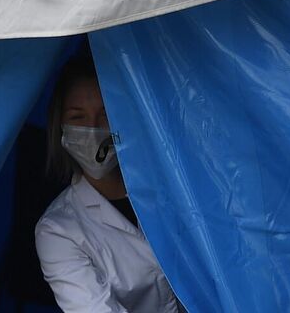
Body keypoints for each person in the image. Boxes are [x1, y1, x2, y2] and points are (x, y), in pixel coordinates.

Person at [34, 55, 183, 313]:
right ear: (60, 127)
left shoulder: (176, 187)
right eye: (78, 117)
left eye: (105, 114)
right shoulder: (58, 230)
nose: (93, 129)